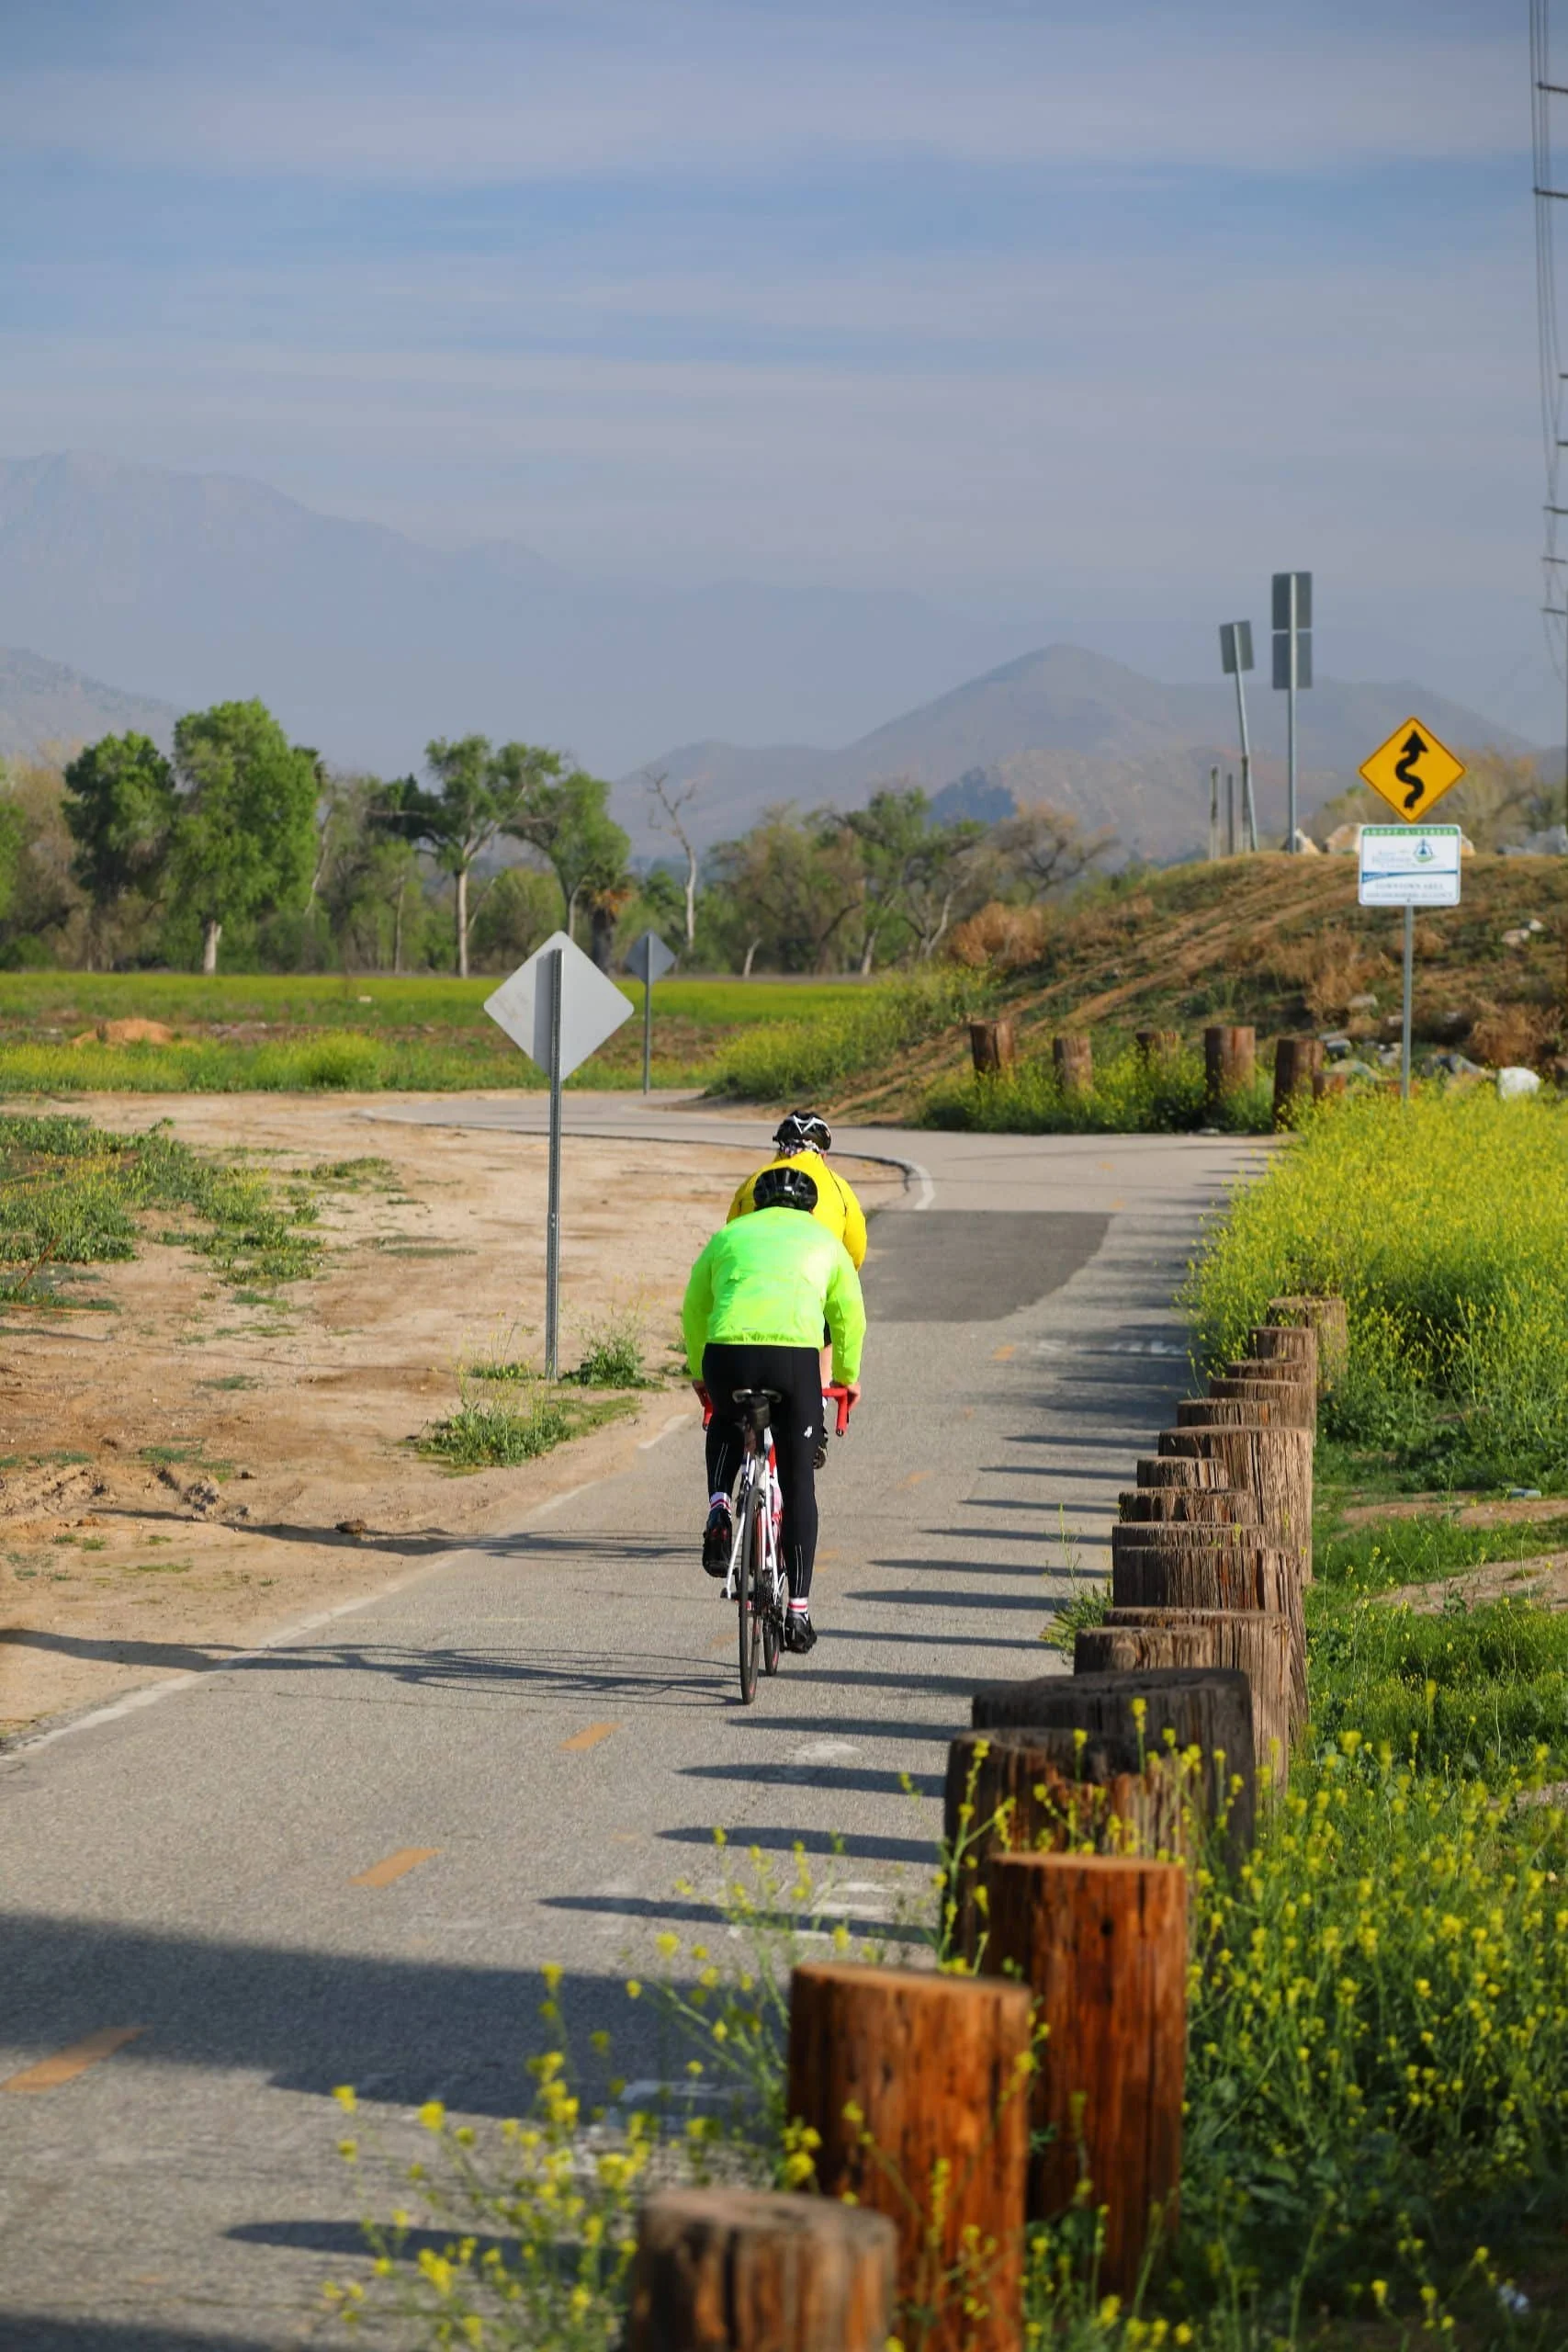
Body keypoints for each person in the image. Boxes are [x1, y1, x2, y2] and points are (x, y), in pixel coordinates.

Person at [682, 1163, 864, 1655]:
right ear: (807, 1208)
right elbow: (848, 1314)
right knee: (799, 1479)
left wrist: (701, 1369)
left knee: (723, 1418)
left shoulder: (728, 1236)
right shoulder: (824, 1239)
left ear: (759, 1205)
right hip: (792, 1360)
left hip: (728, 1352)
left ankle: (720, 1508)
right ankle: (798, 1611)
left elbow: (694, 1304)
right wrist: (845, 1377)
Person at [727, 1111, 867, 1270]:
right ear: (823, 1153)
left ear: (781, 1145)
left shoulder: (753, 1182)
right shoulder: (840, 1188)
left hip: (753, 1276)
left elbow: (731, 1233)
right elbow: (856, 1253)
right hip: (817, 1279)